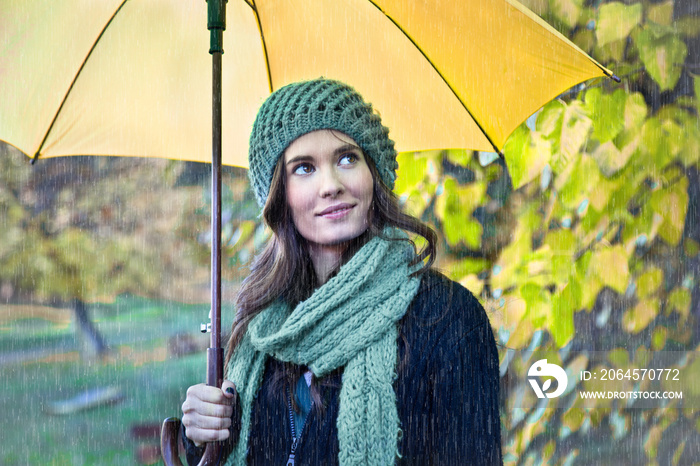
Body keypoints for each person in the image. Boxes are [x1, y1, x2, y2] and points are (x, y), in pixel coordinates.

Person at [180, 78, 502, 465]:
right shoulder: (261, 333)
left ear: (373, 173)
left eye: (347, 158)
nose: (330, 185)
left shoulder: (447, 318)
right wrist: (201, 436)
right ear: (279, 196)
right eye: (303, 168)